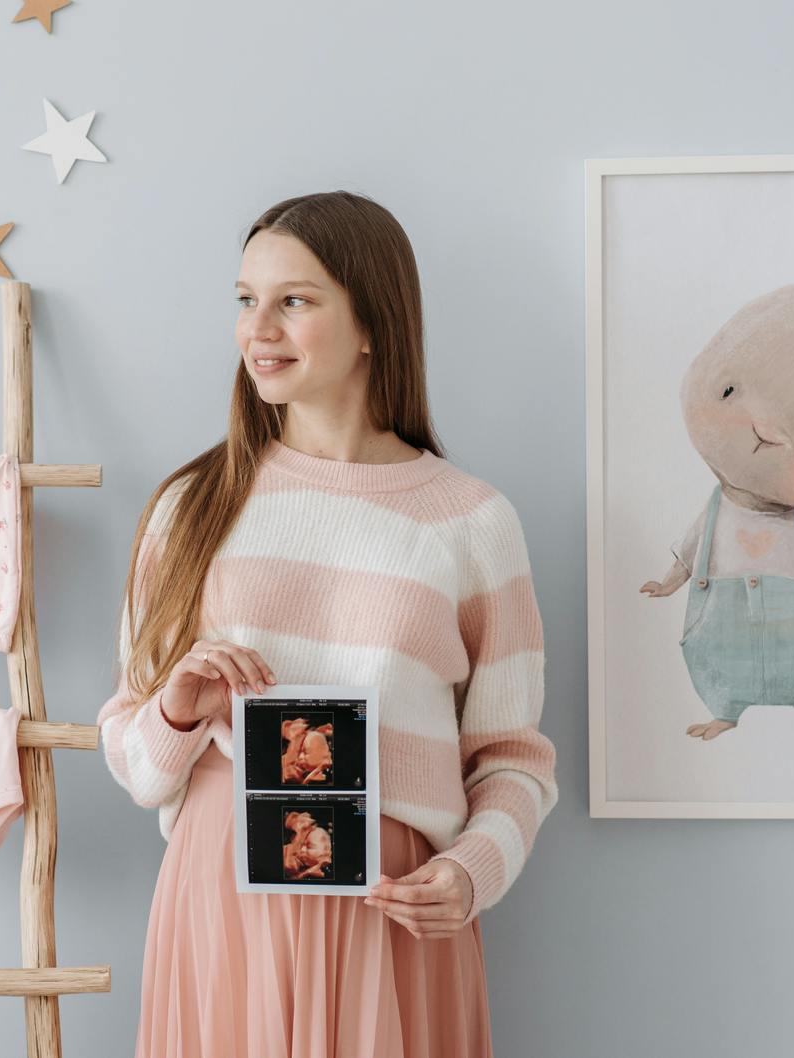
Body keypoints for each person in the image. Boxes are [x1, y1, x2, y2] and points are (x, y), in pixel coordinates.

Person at [97, 190, 558, 1057]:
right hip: (223, 902)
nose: (257, 328)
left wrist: (469, 875)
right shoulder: (192, 508)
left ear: (373, 322)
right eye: (245, 300)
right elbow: (134, 760)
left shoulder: (470, 522)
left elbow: (513, 762)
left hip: (393, 913)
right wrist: (180, 711)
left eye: (294, 301)